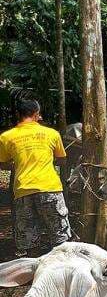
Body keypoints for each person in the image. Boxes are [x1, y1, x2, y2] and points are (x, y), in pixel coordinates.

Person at [0, 100, 71, 257]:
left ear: (18, 115)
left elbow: (3, 164)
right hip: (50, 188)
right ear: (37, 115)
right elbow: (62, 160)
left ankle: (35, 272)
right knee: (60, 237)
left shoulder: (6, 137)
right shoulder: (52, 134)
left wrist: (18, 165)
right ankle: (62, 272)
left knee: (30, 240)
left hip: (23, 191)